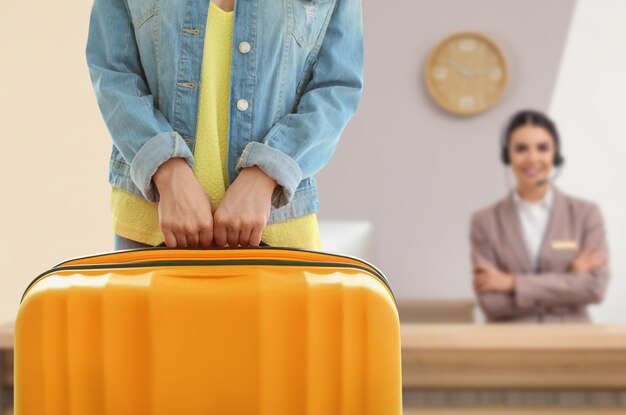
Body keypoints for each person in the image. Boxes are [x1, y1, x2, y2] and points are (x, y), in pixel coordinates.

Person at [85, 0, 363, 251]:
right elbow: (112, 70)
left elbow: (337, 85)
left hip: (278, 231)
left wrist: (267, 172)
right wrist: (167, 170)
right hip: (152, 226)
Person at [470, 110, 609, 323]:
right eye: (521, 149)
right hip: (508, 347)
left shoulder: (586, 214)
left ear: (556, 154)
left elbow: (594, 289)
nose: (533, 158)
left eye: (542, 148)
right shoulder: (484, 221)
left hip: (574, 343)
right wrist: (571, 280)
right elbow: (491, 303)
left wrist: (511, 283)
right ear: (507, 155)